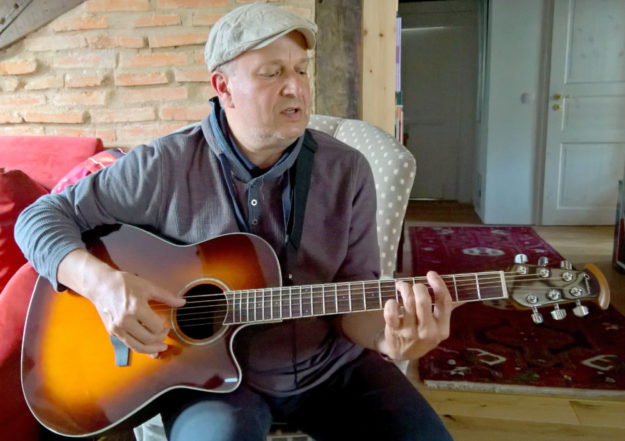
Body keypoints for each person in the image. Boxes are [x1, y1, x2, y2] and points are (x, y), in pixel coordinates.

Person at [15, 2, 455, 440]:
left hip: (332, 369)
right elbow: (39, 218)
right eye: (273, 72)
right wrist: (103, 285)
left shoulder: (348, 170)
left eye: (301, 70)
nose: (295, 88)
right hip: (210, 383)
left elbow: (358, 302)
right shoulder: (163, 166)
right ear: (223, 87)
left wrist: (389, 338)